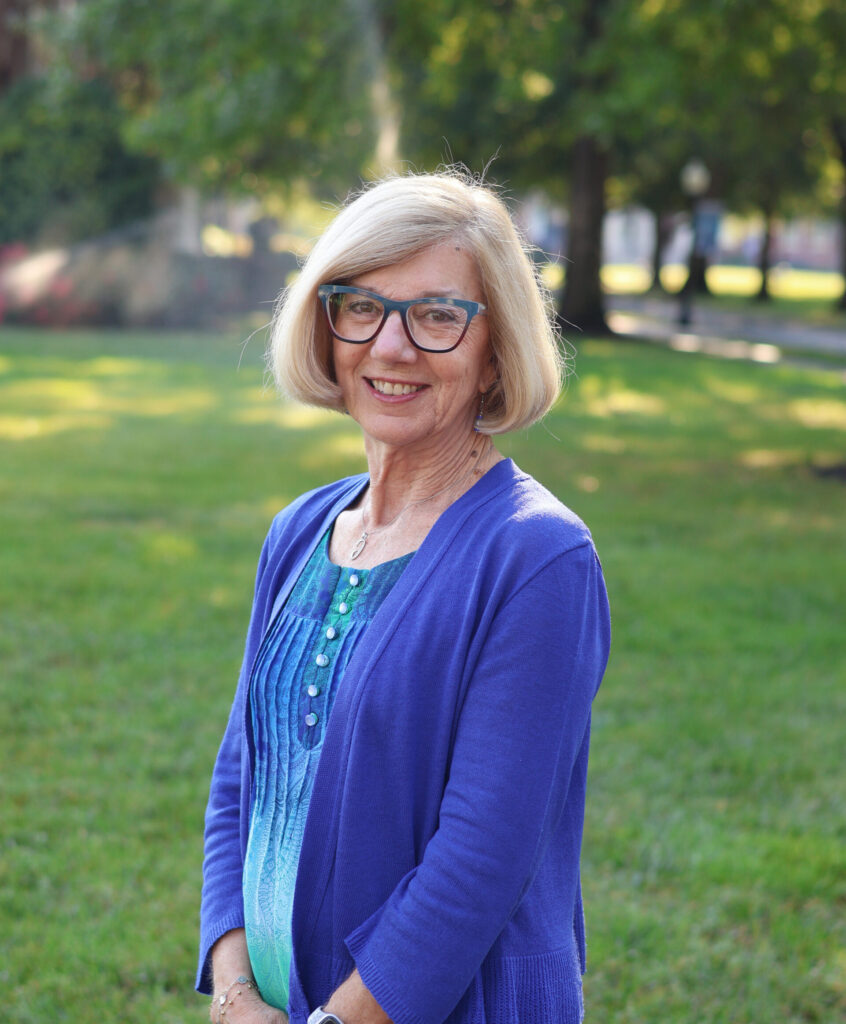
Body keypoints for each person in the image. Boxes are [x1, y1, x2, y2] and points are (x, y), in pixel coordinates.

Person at [197, 170, 611, 1024]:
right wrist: (236, 992)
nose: (390, 346)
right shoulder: (302, 529)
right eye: (361, 306)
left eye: (436, 316)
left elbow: (478, 860)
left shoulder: (537, 557)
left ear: (497, 346)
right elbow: (243, 770)